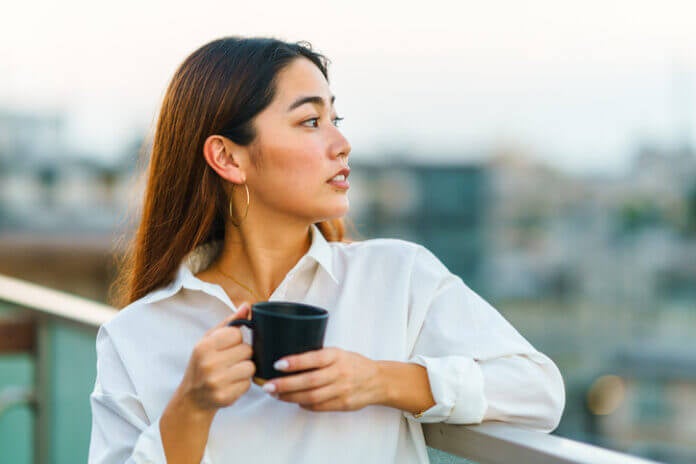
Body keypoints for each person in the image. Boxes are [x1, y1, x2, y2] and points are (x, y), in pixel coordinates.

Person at [88, 36, 565, 464]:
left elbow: (540, 394)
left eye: (335, 119)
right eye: (312, 120)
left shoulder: (397, 276)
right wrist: (190, 407)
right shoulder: (134, 336)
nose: (342, 143)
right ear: (228, 157)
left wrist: (383, 381)